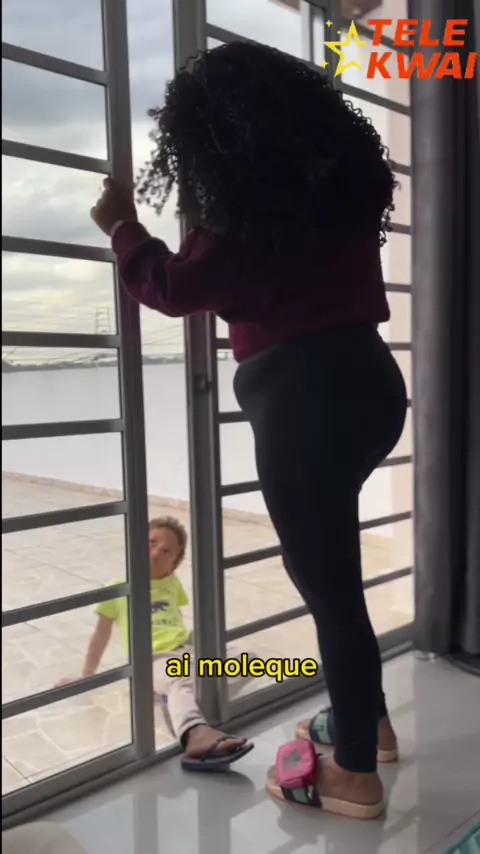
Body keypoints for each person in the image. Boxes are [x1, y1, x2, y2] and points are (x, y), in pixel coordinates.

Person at [90, 41, 407, 818]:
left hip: (303, 401)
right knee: (332, 578)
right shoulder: (333, 194)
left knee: (330, 591)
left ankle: (355, 775)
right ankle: (370, 726)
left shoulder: (250, 215)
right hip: (371, 384)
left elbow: (173, 286)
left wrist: (123, 226)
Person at [56, 516, 253, 771]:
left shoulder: (172, 582)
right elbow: (100, 635)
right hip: (153, 655)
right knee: (179, 679)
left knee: (249, 660)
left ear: (174, 563)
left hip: (187, 645)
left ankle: (181, 701)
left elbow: (175, 616)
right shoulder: (118, 588)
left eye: (167, 551)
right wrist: (86, 676)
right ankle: (194, 732)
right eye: (151, 542)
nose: (157, 552)